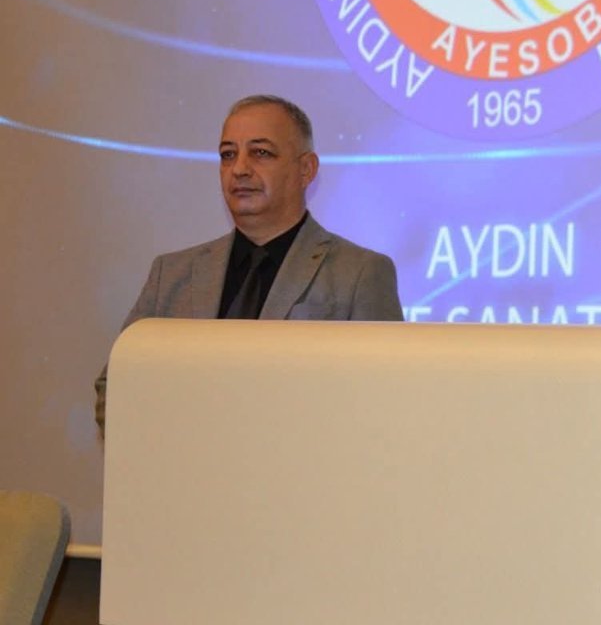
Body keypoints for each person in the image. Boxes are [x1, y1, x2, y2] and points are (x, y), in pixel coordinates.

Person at [94, 94, 404, 431]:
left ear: (306, 169)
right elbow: (114, 389)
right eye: (228, 155)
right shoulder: (171, 274)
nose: (239, 169)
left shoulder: (359, 273)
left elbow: (381, 404)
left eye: (261, 153)